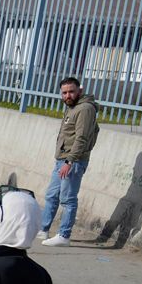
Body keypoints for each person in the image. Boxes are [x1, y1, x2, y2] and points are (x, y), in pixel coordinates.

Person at [39, 77, 99, 247]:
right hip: (62, 160)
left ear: (79, 91)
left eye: (71, 92)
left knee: (68, 199)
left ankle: (64, 235)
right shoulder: (72, 108)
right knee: (52, 195)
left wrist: (70, 161)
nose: (67, 95)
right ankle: (43, 229)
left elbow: (82, 138)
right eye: (64, 93)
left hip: (73, 162)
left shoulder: (85, 109)